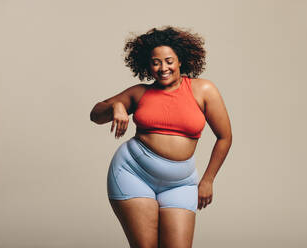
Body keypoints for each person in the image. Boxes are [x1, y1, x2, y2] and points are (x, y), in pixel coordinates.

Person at [90, 26, 232, 248]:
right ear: (148, 65)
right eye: (156, 62)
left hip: (180, 184)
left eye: (168, 61)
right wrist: (116, 106)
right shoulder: (140, 93)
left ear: (180, 61)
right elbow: (96, 115)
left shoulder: (203, 90)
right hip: (133, 174)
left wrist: (208, 180)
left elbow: (224, 137)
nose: (163, 67)